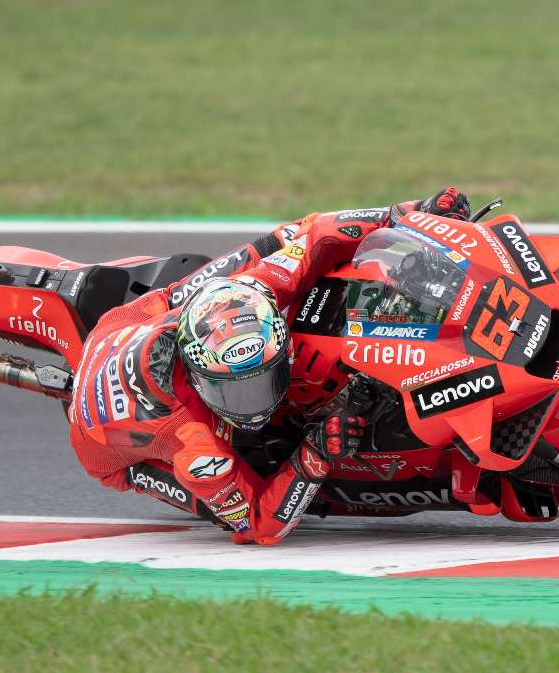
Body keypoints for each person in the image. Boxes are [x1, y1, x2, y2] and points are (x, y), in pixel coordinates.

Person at [66, 188, 471, 545]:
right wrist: (314, 455)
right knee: (231, 497)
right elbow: (260, 526)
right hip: (110, 449)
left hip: (138, 316)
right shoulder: (197, 447)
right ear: (198, 375)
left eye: (264, 377)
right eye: (236, 390)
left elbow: (314, 231)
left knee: (278, 242)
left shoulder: (257, 290)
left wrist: (415, 211)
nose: (256, 402)